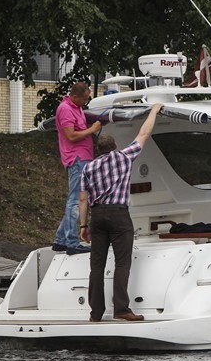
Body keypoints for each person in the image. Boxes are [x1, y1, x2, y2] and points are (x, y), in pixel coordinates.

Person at [79, 103, 163, 322]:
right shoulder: (124, 157)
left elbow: (83, 198)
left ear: (98, 150)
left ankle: (95, 313)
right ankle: (121, 309)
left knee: (96, 266)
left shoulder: (88, 168)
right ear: (115, 146)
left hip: (97, 217)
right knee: (122, 262)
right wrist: (153, 111)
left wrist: (82, 226)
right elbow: (144, 133)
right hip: (118, 216)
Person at [52, 82, 102, 255]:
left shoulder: (76, 107)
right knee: (75, 200)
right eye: (84, 99)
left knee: (74, 199)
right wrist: (92, 129)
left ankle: (60, 240)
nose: (85, 102)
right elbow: (71, 136)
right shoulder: (66, 109)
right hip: (77, 158)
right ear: (75, 96)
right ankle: (72, 242)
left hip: (83, 157)